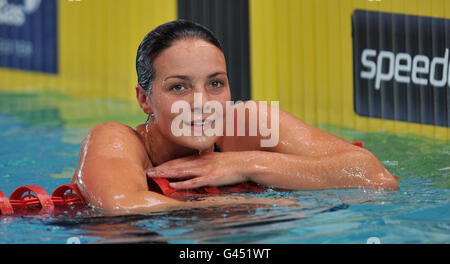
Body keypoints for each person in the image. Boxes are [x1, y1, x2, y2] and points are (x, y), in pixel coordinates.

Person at [70, 20, 398, 213]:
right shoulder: (117, 139)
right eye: (179, 87)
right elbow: (120, 205)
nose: (202, 103)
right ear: (144, 99)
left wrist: (245, 164)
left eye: (215, 84)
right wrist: (246, 205)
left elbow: (375, 177)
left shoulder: (248, 124)